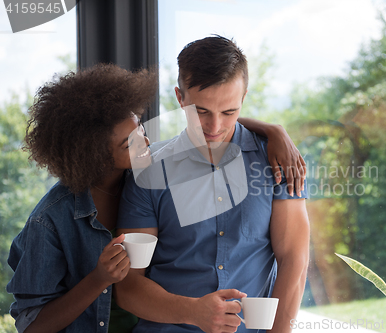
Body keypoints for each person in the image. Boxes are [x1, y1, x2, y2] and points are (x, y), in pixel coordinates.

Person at [6, 62, 306, 333]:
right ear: (94, 156)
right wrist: (99, 279)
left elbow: (216, 118)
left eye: (141, 128)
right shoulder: (50, 221)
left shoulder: (142, 173)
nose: (145, 143)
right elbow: (32, 324)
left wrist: (273, 131)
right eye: (130, 143)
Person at [114, 35, 310, 333]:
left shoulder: (278, 162)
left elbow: (294, 260)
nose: (215, 127)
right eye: (202, 111)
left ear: (243, 98)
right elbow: (128, 287)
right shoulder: (148, 169)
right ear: (180, 98)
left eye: (229, 112)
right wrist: (194, 312)